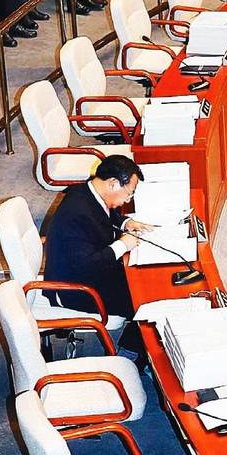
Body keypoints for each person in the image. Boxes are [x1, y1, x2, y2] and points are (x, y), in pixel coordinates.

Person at [43, 154, 153, 360]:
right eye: (129, 193)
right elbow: (86, 268)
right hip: (75, 289)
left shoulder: (88, 192)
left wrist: (125, 223)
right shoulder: (76, 213)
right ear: (113, 184)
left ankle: (133, 349)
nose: (128, 200)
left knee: (146, 282)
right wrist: (123, 244)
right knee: (146, 300)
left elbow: (103, 213)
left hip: (90, 272)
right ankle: (130, 356)